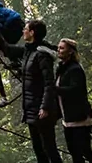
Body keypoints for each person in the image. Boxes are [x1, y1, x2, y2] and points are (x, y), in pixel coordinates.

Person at [17, 19, 62, 163]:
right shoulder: (29, 51)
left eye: (25, 29)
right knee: (38, 149)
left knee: (49, 149)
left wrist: (45, 107)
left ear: (32, 32)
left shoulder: (42, 55)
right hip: (31, 108)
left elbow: (49, 83)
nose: (23, 31)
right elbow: (7, 49)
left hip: (42, 111)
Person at [54, 39, 92, 163]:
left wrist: (54, 89)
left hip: (80, 118)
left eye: (62, 48)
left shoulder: (75, 69)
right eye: (58, 48)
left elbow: (75, 90)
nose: (58, 50)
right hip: (68, 118)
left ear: (70, 52)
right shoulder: (62, 69)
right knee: (74, 151)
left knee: (84, 150)